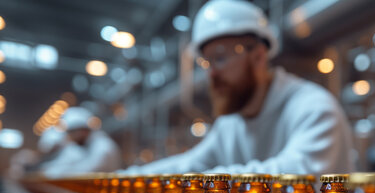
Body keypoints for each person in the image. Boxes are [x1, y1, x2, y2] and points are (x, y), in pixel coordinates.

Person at [127, 0, 353, 175]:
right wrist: (127, 179)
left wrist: (211, 183)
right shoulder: (231, 123)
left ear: (258, 56)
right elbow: (187, 166)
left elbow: (297, 175)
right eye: (206, 62)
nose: (211, 73)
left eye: (220, 58)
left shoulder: (313, 108)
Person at [40, 107, 122, 177]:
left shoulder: (103, 146)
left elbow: (87, 170)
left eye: (71, 133)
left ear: (82, 131)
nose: (70, 137)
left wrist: (55, 172)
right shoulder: (86, 146)